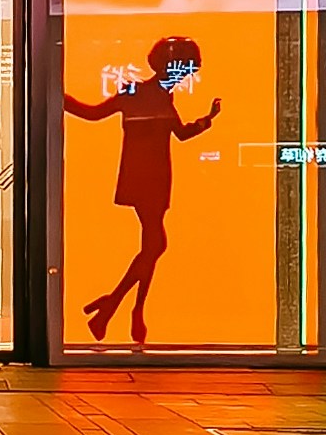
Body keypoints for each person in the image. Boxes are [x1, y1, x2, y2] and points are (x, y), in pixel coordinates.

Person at [67, 30, 222, 350]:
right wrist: (55, 95)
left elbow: (179, 133)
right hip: (144, 180)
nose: (186, 76)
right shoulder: (136, 92)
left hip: (157, 178)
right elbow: (93, 113)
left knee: (153, 246)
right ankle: (125, 309)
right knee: (155, 244)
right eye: (185, 69)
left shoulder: (162, 96)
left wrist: (207, 120)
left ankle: (115, 308)